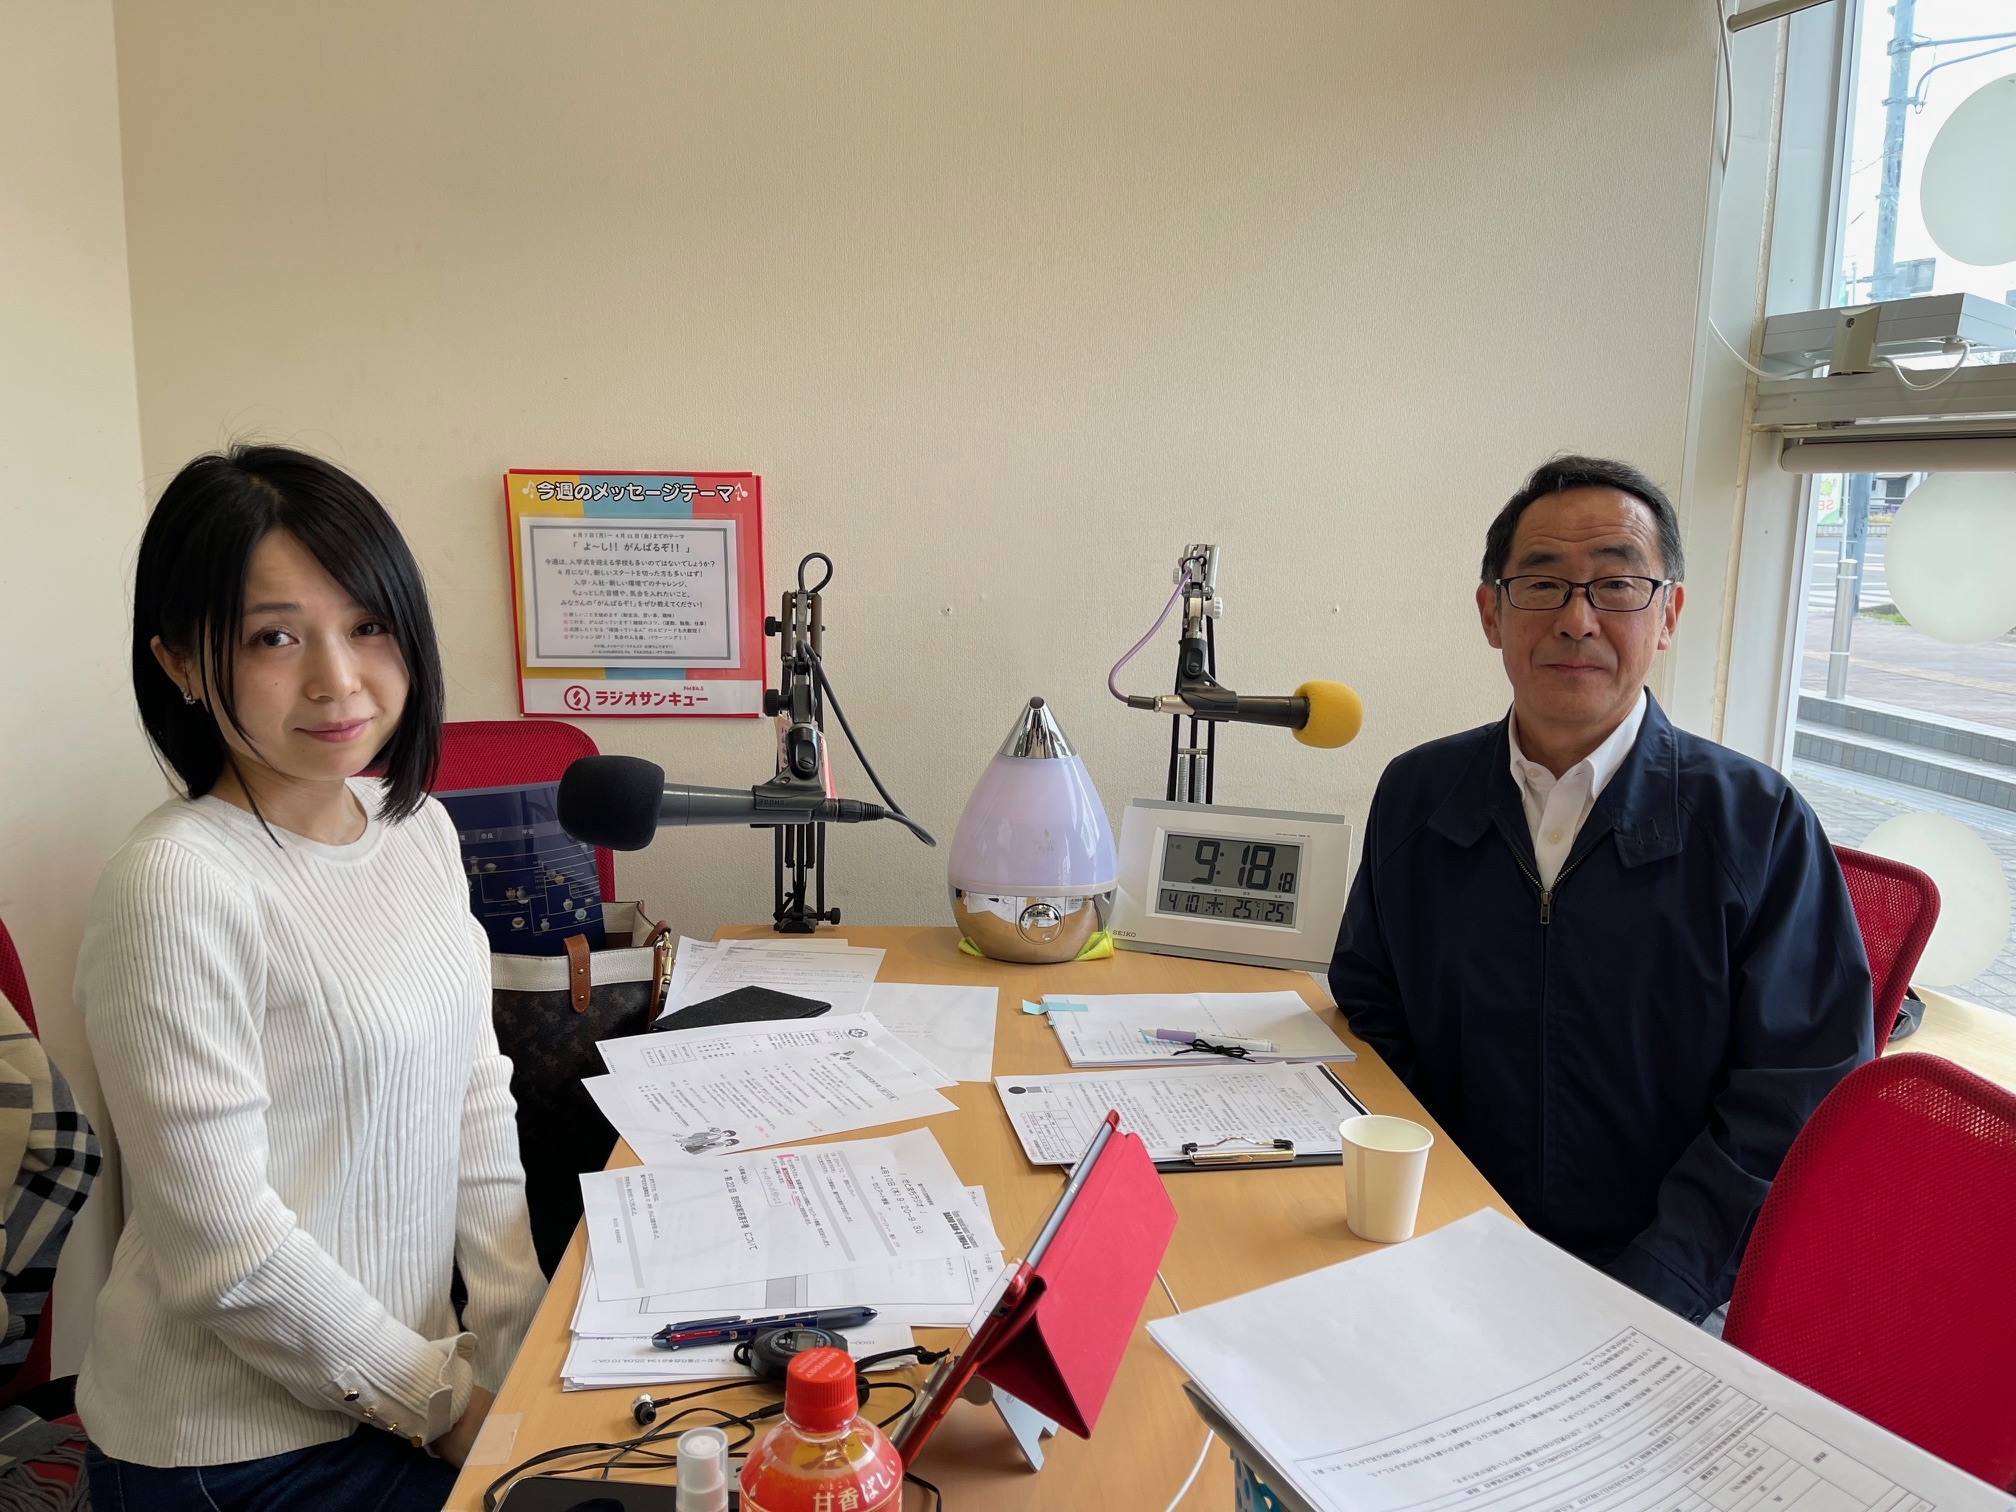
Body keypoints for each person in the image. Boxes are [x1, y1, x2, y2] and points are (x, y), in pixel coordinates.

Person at [74, 446, 545, 1510]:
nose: (338, 679)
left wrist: (523, 1352)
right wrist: (451, 1410)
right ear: (182, 664)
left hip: (406, 1397)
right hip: (240, 1451)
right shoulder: (174, 886)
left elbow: (475, 1097)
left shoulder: (415, 830)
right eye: (274, 637)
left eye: (367, 625)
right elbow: (226, 1251)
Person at [1329, 455, 1872, 1321]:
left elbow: (1798, 1103)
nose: (1577, 620)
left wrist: (1653, 1291)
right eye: (1542, 584)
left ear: (1669, 616)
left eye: (1617, 585)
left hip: (1670, 1285)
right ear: (1491, 613)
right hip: (1438, 1243)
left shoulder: (1759, 824)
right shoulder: (1419, 794)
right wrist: (1434, 1209)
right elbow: (1371, 1005)